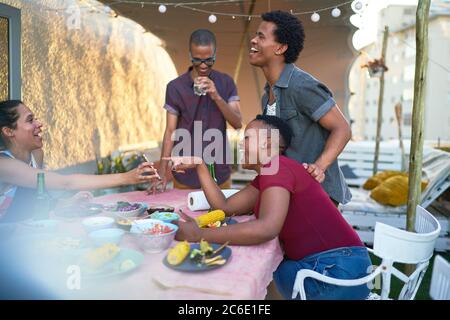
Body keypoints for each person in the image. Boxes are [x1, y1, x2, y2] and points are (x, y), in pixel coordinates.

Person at [167, 115, 371, 300]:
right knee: (259, 274)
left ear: (268, 143)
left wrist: (198, 234)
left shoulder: (279, 167)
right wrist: (200, 166)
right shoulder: (270, 173)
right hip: (335, 265)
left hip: (336, 270)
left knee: (250, 281)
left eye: (247, 138)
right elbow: (224, 206)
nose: (241, 144)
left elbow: (267, 228)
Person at [248, 10, 352, 205]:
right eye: (255, 35)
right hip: (290, 192)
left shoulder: (302, 86)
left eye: (261, 37)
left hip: (318, 196)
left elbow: (343, 129)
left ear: (280, 48)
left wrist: (319, 167)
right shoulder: (266, 96)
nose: (253, 40)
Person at [0, 100, 159, 221]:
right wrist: (126, 177)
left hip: (27, 236)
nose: (39, 124)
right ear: (8, 131)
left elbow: (36, 198)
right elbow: (66, 183)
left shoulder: (36, 155)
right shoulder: (4, 165)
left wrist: (66, 202)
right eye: (30, 120)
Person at [150, 29, 242, 194]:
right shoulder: (175, 87)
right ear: (190, 54)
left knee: (222, 219)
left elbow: (237, 123)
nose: (203, 66)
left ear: (215, 53)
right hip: (186, 176)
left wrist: (216, 96)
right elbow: (170, 130)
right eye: (197, 60)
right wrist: (163, 169)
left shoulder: (226, 82)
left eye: (209, 60)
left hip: (219, 174)